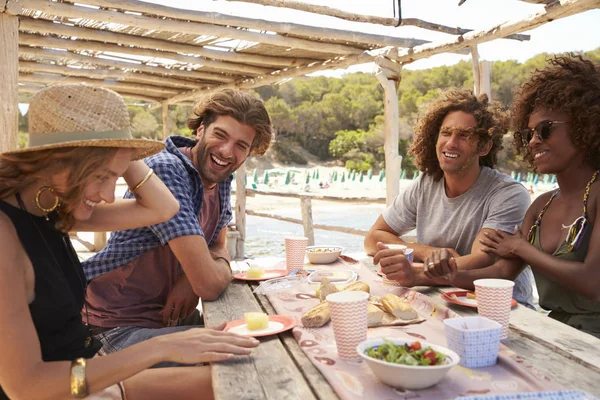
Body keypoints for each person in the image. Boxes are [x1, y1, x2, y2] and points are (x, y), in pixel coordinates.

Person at [0, 84, 259, 400]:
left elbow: (163, 208)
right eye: (101, 176)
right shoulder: (6, 236)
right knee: (238, 379)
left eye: (117, 176)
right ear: (58, 162)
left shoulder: (50, 208)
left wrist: (117, 148)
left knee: (246, 375)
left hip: (91, 371)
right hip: (68, 388)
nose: (109, 195)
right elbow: (28, 387)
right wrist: (158, 347)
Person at [81, 89, 273, 355]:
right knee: (251, 355)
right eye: (220, 135)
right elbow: (207, 284)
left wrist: (189, 277)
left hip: (164, 321)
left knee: (267, 336)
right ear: (201, 130)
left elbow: (219, 243)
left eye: (241, 145)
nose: (227, 151)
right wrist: (206, 273)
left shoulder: (219, 177)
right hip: (113, 327)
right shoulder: (166, 169)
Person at [364, 89, 535, 308]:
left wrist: (415, 272)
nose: (451, 143)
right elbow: (372, 239)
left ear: (483, 147)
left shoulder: (508, 193)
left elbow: (479, 260)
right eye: (446, 132)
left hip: (502, 309)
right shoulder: (425, 184)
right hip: (442, 299)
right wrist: (428, 252)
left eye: (464, 135)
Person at [479, 55, 600, 337]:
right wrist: (430, 275)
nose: (534, 141)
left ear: (587, 126)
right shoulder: (541, 207)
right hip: (558, 334)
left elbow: (593, 284)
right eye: (528, 134)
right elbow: (502, 273)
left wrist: (522, 248)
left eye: (545, 130)